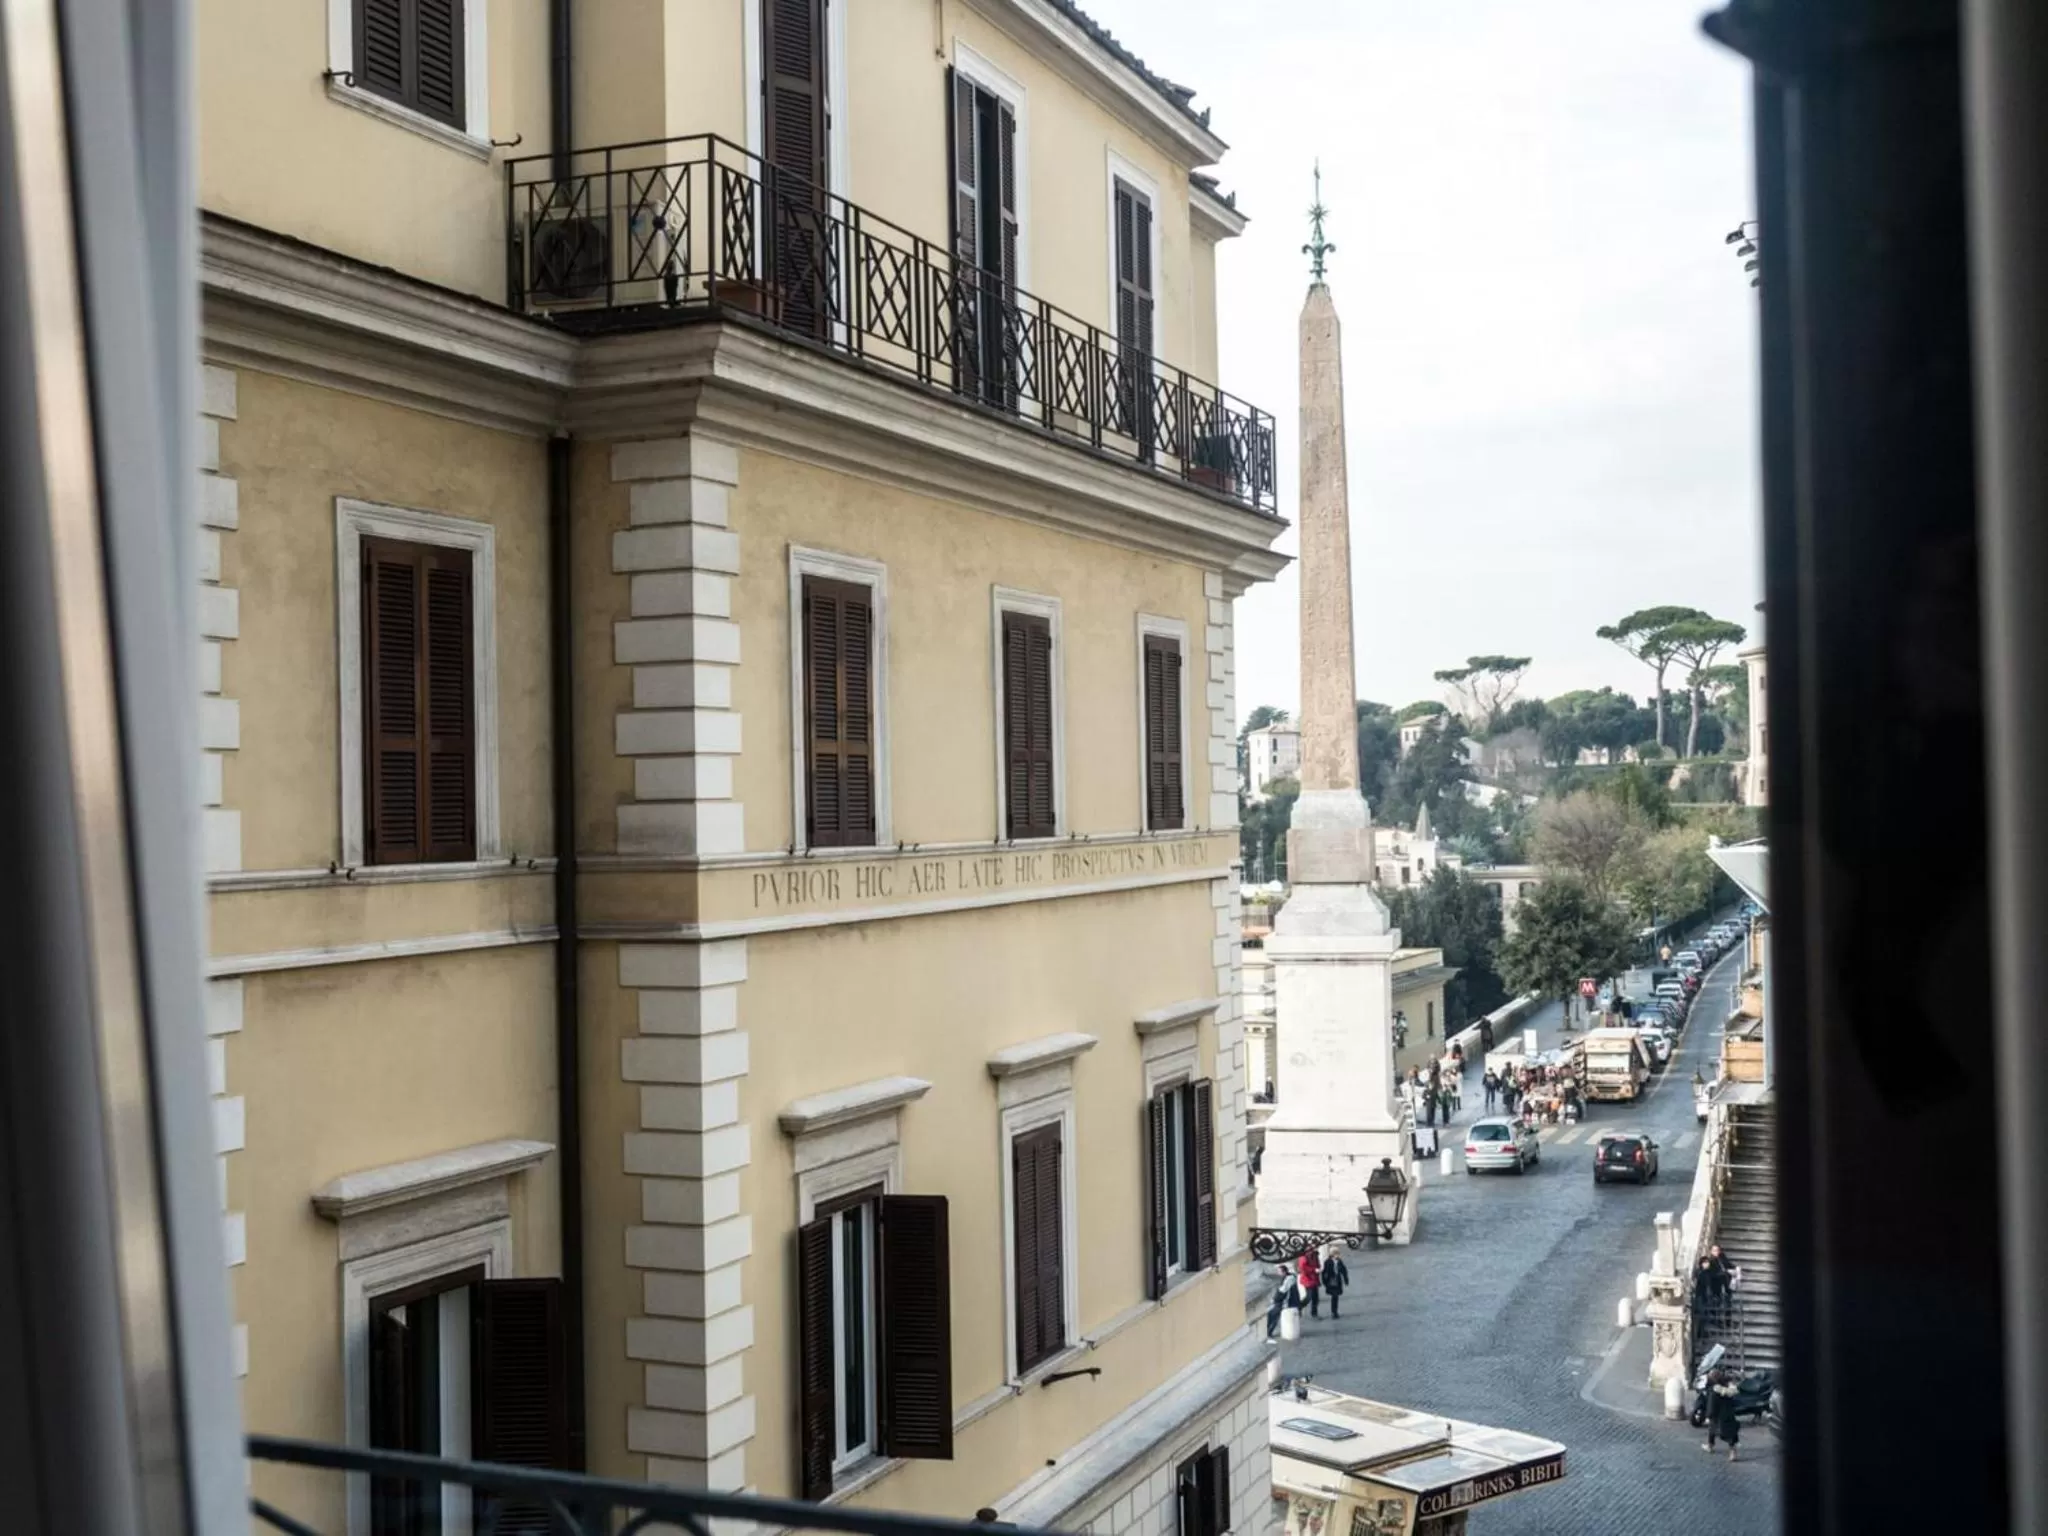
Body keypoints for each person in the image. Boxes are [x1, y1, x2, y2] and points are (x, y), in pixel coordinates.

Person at [1704, 1368, 1743, 1461]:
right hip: (1728, 1414)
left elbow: (1711, 1405)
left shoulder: (1714, 1391)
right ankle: (1733, 1453)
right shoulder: (1729, 1388)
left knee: (1712, 1429)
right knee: (1731, 1434)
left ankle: (1710, 1446)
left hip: (1717, 1415)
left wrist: (1708, 1416)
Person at [1265, 1265, 1300, 1341]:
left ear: (1284, 1272)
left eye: (1279, 1271)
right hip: (1287, 1301)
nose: (1278, 1273)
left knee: (1273, 1314)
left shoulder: (1289, 1279)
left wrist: (1274, 1299)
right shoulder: (1289, 1277)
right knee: (1272, 1314)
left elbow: (1282, 1291)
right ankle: (1268, 1331)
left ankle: (1268, 1332)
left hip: (1287, 1302)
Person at [1320, 1246, 1351, 1318]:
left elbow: (1344, 1270)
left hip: (1337, 1280)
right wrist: (1324, 1281)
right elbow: (1324, 1272)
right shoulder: (1327, 1262)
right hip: (1331, 1281)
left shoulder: (1339, 1261)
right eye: (1336, 1253)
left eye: (1338, 1253)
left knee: (1336, 1296)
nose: (1338, 1255)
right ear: (1332, 1254)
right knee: (1334, 1296)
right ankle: (1334, 1312)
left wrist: (1346, 1279)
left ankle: (1335, 1311)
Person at [1297, 1249, 1322, 1319]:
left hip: (1314, 1279)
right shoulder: (1304, 1257)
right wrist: (1314, 1269)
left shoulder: (1314, 1254)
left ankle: (1314, 1313)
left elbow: (1317, 1263)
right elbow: (1303, 1268)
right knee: (1309, 1297)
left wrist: (1318, 1268)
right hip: (1308, 1279)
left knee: (1315, 1298)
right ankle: (1299, 1306)